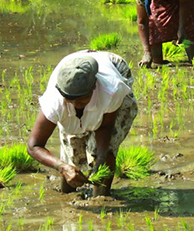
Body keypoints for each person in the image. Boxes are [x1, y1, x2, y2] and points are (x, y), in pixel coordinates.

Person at [27, 51, 138, 197]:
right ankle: (66, 195)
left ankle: (101, 198)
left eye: (81, 100)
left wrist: (102, 155)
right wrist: (62, 167)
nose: (76, 105)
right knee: (72, 152)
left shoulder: (111, 91)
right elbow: (34, 146)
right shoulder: (55, 101)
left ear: (94, 88)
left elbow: (105, 126)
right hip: (72, 66)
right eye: (70, 100)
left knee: (104, 152)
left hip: (114, 66)